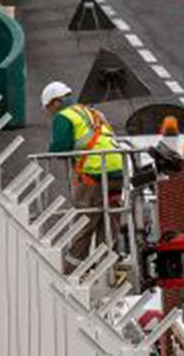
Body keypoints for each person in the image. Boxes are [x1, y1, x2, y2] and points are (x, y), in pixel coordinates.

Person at [42, 81, 123, 253]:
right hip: (117, 169)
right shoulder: (92, 112)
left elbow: (59, 147)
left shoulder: (64, 116)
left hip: (94, 172)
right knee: (110, 221)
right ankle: (108, 267)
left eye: (48, 107)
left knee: (85, 222)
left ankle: (75, 270)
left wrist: (51, 147)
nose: (49, 113)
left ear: (56, 102)